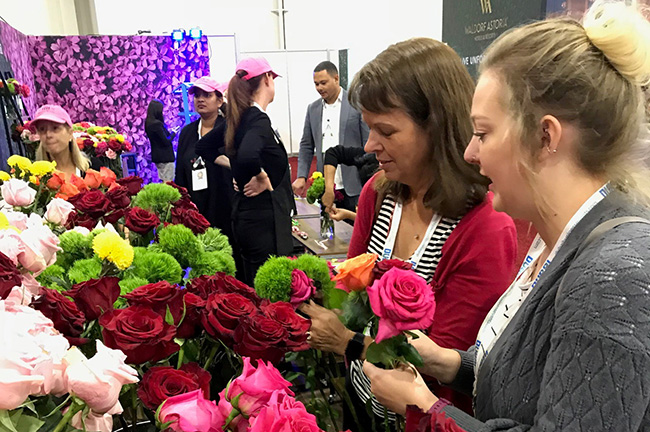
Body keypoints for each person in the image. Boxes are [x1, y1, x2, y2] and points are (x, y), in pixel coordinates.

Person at [362, 3, 650, 431]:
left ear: (544, 137)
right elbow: (528, 375)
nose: (469, 153)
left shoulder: (609, 276)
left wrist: (425, 404)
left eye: (483, 133)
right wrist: (447, 363)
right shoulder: (555, 239)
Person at [300, 38, 518, 431]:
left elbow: (447, 366)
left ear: (436, 127)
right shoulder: (379, 193)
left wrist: (346, 341)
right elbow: (351, 287)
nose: (370, 145)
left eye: (386, 130)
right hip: (364, 402)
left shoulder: (484, 227)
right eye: (369, 128)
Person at [225, 57, 294, 286]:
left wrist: (239, 172)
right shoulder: (257, 118)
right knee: (269, 289)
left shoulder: (240, 118)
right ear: (267, 78)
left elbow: (208, 147)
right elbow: (247, 155)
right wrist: (260, 176)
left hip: (250, 218)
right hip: (264, 221)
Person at [292, 61, 369, 211]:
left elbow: (367, 142)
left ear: (336, 78)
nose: (319, 88)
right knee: (329, 230)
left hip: (354, 184)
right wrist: (301, 175)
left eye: (323, 83)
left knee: (355, 229)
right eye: (316, 84)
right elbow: (306, 145)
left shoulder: (356, 103)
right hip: (326, 185)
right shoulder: (312, 109)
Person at [175, 76, 232, 236]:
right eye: (197, 95)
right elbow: (180, 172)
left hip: (225, 206)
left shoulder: (229, 129)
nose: (200, 99)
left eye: (207, 95)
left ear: (220, 101)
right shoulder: (187, 132)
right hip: (196, 209)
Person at [321, 144, 379, 222]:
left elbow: (375, 222)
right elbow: (332, 153)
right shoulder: (368, 156)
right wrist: (329, 190)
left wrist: (349, 215)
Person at [33, 104, 91, 176]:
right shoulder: (34, 177)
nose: (48, 135)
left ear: (70, 132)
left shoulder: (92, 170)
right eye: (42, 129)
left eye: (55, 128)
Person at [144, 100, 176, 182]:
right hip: (165, 157)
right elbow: (166, 141)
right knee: (168, 182)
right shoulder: (156, 124)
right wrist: (174, 133)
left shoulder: (148, 123)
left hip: (158, 156)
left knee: (164, 180)